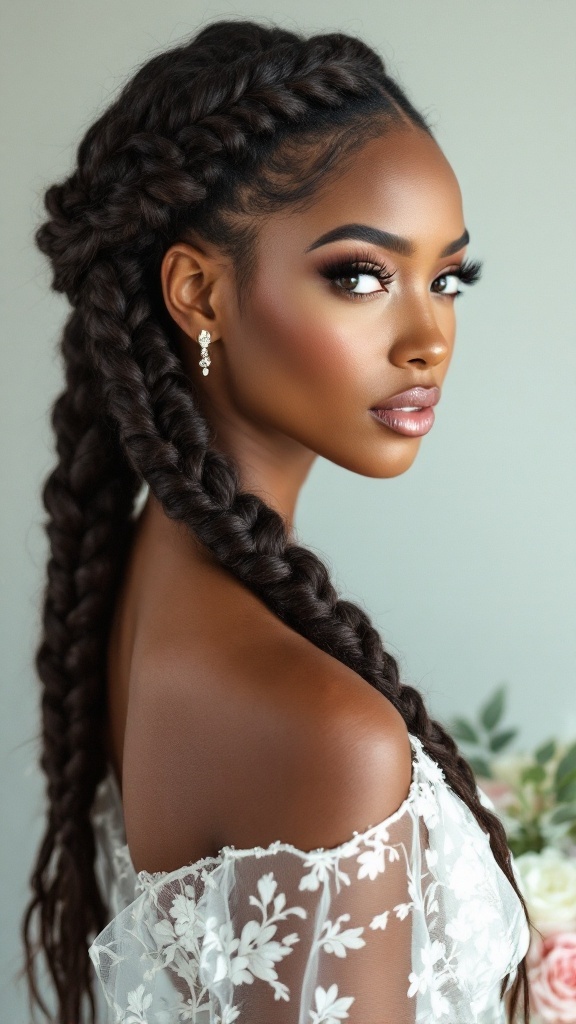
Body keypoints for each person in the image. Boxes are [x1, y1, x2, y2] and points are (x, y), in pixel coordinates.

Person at [22, 17, 532, 1024]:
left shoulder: (139, 580)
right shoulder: (326, 733)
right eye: (361, 276)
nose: (429, 338)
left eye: (448, 278)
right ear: (199, 293)